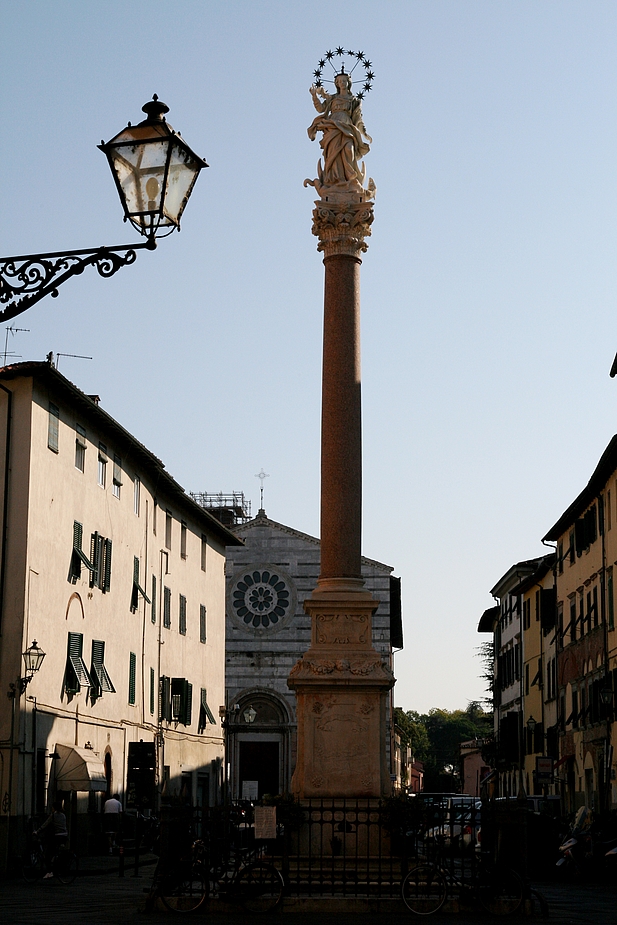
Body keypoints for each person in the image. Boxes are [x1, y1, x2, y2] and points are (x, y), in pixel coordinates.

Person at [307, 71, 372, 190]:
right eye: (339, 81)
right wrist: (314, 96)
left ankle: (351, 178)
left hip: (347, 127)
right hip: (332, 127)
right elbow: (321, 108)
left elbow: (358, 119)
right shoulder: (332, 99)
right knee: (333, 153)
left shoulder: (354, 100)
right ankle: (336, 179)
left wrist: (364, 133)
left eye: (344, 81)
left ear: (348, 82)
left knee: (349, 149)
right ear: (336, 83)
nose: (342, 83)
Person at [34, 800, 69, 878]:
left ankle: (50, 871)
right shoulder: (63, 815)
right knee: (54, 852)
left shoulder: (53, 815)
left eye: (52, 807)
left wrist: (37, 831)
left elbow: (45, 824)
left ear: (54, 808)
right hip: (64, 836)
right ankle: (54, 863)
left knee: (47, 854)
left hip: (57, 837)